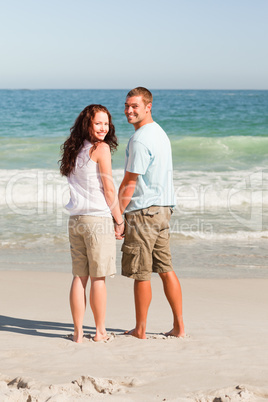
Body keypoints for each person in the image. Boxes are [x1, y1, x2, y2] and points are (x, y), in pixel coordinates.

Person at [118, 87, 185, 339]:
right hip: (163, 210)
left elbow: (129, 183)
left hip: (144, 212)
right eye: (126, 106)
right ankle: (179, 327)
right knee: (166, 269)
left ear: (148, 107)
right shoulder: (160, 133)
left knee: (141, 273)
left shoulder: (140, 139)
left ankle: (140, 329)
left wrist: (117, 215)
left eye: (134, 106)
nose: (129, 111)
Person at [59, 104, 124, 343]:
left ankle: (77, 333)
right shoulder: (101, 149)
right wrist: (119, 219)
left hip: (76, 220)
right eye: (98, 123)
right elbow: (108, 189)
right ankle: (99, 332)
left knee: (79, 277)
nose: (104, 128)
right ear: (88, 124)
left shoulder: (73, 149)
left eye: (106, 123)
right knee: (98, 278)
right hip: (97, 219)